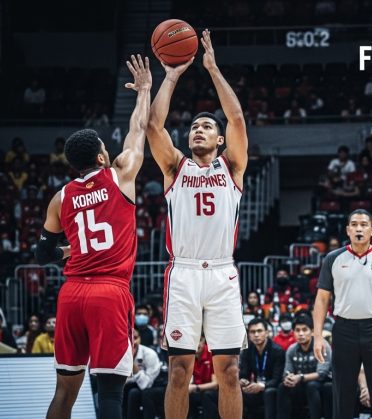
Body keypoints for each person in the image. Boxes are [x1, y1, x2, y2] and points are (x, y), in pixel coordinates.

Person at [36, 55, 150, 419]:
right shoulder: (120, 174)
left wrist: (67, 251)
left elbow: (42, 254)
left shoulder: (61, 197)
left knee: (64, 391)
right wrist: (144, 90)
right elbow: (139, 129)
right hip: (108, 292)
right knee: (111, 390)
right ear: (103, 155)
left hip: (71, 295)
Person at [147, 30, 249, 419]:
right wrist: (170, 76)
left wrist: (211, 68)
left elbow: (236, 117)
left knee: (230, 371)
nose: (198, 130)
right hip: (184, 273)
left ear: (221, 140)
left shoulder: (232, 166)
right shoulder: (175, 166)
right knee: (178, 372)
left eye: (207, 127)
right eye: (194, 127)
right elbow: (154, 128)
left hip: (222, 273)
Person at [312, 209, 372, 419]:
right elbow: (322, 299)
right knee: (342, 391)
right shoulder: (333, 259)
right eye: (354, 224)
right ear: (347, 230)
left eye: (363, 225)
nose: (359, 228)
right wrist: (317, 336)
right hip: (344, 328)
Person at [205, 318, 284, 419]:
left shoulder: (277, 351)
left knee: (269, 392)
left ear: (267, 333)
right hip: (254, 387)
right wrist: (243, 381)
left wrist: (262, 386)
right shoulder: (247, 351)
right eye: (252, 332)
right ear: (248, 335)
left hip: (270, 388)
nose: (256, 335)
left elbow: (277, 379)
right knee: (217, 394)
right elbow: (244, 374)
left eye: (259, 331)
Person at [277, 314, 331, 419]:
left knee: (312, 385)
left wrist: (300, 377)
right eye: (297, 330)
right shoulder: (291, 349)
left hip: (323, 383)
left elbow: (322, 373)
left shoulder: (322, 345)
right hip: (301, 383)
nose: (301, 334)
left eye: (304, 330)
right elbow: (287, 371)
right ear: (293, 333)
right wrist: (288, 378)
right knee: (282, 387)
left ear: (312, 331)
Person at [125, 328, 162, 419]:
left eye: (135, 337)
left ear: (140, 339)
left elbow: (146, 384)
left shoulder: (150, 354)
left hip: (157, 385)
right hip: (136, 385)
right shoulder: (119, 354)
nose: (132, 341)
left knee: (145, 394)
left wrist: (131, 361)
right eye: (128, 338)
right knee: (129, 392)